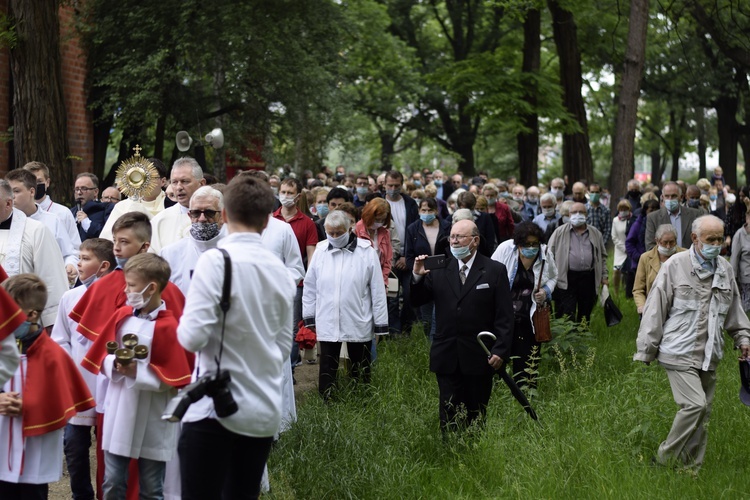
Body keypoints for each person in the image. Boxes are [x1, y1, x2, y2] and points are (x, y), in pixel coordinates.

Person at [177, 175, 296, 499]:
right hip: (262, 410)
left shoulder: (214, 262)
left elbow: (191, 338)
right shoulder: (282, 273)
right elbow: (284, 346)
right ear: (268, 218)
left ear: (225, 215)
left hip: (213, 412)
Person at [634, 215, 750, 470]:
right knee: (694, 405)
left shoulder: (725, 268)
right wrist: (646, 350)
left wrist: (743, 338)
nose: (716, 244)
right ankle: (663, 460)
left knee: (703, 413)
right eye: (711, 239)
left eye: (720, 239)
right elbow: (655, 309)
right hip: (678, 351)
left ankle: (690, 470)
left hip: (710, 353)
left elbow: (734, 311)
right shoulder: (675, 265)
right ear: (695, 239)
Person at [81, 254, 194, 499]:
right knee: (113, 482)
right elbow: (101, 357)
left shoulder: (170, 327)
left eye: (131, 285)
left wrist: (138, 371)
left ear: (151, 287)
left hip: (154, 414)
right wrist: (114, 364)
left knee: (152, 487)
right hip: (119, 409)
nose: (126, 290)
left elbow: (176, 377)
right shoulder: (121, 317)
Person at [411, 219, 514, 431]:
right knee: (448, 407)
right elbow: (417, 300)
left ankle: (474, 452)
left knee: (476, 410)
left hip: (479, 353)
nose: (454, 241)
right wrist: (416, 276)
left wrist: (500, 350)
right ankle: (448, 451)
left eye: (460, 237)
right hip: (447, 351)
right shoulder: (439, 268)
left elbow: (504, 315)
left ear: (475, 240)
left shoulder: (494, 270)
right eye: (452, 237)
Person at [0, 274, 95, 499]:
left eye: (8, 313)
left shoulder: (53, 355)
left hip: (35, 453)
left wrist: (32, 406)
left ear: (31, 315)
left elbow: (62, 401)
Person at [51, 238, 116, 500]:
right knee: (75, 448)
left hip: (109, 385)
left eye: (85, 259)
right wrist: (69, 371)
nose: (78, 263)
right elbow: (60, 339)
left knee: (109, 448)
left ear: (103, 266)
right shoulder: (70, 297)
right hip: (78, 386)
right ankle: (82, 495)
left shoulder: (117, 297)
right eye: (78, 257)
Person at [303, 211, 389, 398]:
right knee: (327, 364)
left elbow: (377, 290)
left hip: (358, 317)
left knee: (360, 364)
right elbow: (310, 287)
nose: (334, 237)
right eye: (330, 233)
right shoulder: (320, 250)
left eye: (338, 233)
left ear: (349, 229)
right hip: (328, 316)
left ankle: (362, 398)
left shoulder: (366, 252)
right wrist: (309, 317)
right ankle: (327, 400)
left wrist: (381, 324)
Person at [491, 222, 557, 388]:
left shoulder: (545, 253)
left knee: (527, 359)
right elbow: (490, 274)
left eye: (534, 243)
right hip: (504, 315)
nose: (531, 248)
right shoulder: (505, 249)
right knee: (500, 353)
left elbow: (554, 276)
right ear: (518, 244)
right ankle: (498, 388)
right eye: (526, 244)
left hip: (530, 316)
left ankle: (526, 393)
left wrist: (546, 291)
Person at [0, 179, 68, 328]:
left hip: (22, 323)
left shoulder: (36, 231)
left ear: (8, 204)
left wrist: (53, 325)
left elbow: (52, 278)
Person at [6, 168, 78, 282]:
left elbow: (69, 253)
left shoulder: (53, 220)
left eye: (16, 191)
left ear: (32, 192)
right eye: (9, 192)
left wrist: (70, 266)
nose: (11, 196)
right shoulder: (4, 222)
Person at [547, 202, 608, 324]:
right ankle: (567, 337)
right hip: (566, 277)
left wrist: (604, 276)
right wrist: (550, 277)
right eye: (574, 212)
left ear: (587, 214)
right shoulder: (559, 232)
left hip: (588, 277)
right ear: (569, 215)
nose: (578, 215)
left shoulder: (595, 233)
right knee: (566, 310)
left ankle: (582, 336)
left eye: (581, 212)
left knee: (585, 310)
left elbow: (602, 256)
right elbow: (549, 255)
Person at [160, 186, 225, 296]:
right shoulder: (169, 254)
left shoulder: (235, 252)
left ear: (222, 216)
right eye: (196, 213)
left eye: (209, 213)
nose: (202, 218)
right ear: (189, 216)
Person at [405, 198, 451, 340]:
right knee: (426, 315)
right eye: (423, 210)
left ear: (436, 211)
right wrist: (420, 267)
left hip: (444, 275)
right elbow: (409, 257)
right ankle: (428, 343)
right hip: (424, 277)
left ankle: (440, 339)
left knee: (441, 313)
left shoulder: (447, 227)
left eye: (430, 210)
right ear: (419, 211)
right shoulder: (413, 229)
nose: (427, 213)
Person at [99, 158, 169, 241]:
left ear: (163, 181)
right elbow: (107, 239)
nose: (145, 182)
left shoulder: (171, 205)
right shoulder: (122, 207)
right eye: (142, 177)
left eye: (150, 177)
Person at [23, 161, 81, 258]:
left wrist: (70, 265)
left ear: (47, 182)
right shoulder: (17, 213)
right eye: (30, 182)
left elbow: (75, 249)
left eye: (39, 181)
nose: (35, 186)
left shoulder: (63, 213)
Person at [149, 157, 207, 253]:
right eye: (174, 182)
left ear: (202, 183)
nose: (179, 187)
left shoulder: (216, 216)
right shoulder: (159, 221)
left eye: (185, 181)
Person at [633, 223, 686, 314]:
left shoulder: (685, 255)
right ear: (657, 241)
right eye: (665, 242)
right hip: (653, 308)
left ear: (676, 241)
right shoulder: (645, 258)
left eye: (672, 242)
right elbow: (638, 289)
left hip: (680, 309)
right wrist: (642, 306)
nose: (668, 246)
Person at [645, 181, 701, 251]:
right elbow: (650, 246)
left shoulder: (695, 214)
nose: (670, 199)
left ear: (681, 197)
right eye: (667, 196)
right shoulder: (653, 218)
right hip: (664, 261)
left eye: (674, 196)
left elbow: (700, 240)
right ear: (662, 197)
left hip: (689, 260)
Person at [73, 173, 115, 241]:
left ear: (95, 192)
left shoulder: (106, 208)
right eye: (77, 189)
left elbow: (109, 235)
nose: (79, 193)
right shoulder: (70, 212)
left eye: (84, 188)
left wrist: (87, 223)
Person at [610, 199, 632, 295]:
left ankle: (627, 289)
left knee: (628, 271)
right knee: (616, 270)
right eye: (621, 208)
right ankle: (616, 292)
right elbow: (614, 236)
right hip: (619, 248)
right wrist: (623, 248)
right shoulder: (615, 220)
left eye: (625, 208)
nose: (623, 210)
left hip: (631, 248)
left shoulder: (632, 219)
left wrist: (630, 248)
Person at [731, 208, 750, 312]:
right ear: (747, 218)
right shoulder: (739, 235)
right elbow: (734, 259)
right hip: (745, 279)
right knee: (746, 308)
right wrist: (733, 279)